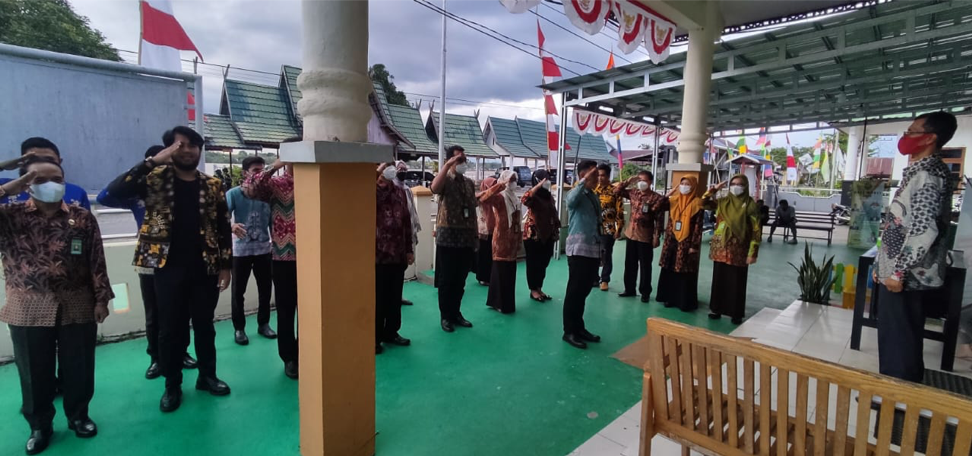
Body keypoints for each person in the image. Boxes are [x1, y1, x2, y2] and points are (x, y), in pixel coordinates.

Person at [107, 126, 233, 412]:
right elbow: (113, 191)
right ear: (168, 149)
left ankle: (207, 376)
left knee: (205, 325)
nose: (187, 150)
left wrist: (226, 266)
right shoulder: (153, 179)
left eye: (193, 145)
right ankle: (172, 384)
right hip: (166, 267)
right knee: (170, 329)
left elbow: (223, 227)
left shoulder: (212, 185)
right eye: (180, 145)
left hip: (205, 267)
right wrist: (152, 161)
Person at [0, 157, 113, 455]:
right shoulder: (9, 216)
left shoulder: (81, 217)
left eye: (57, 179)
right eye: (39, 180)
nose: (51, 185)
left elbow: (96, 260)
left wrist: (101, 298)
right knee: (34, 371)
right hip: (27, 305)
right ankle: (40, 425)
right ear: (26, 185)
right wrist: (9, 187)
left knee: (79, 366)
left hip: (77, 302)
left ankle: (79, 416)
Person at [96, 145, 197, 379]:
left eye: (171, 163)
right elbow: (104, 197)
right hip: (150, 259)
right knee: (154, 314)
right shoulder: (139, 191)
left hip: (182, 259)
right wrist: (147, 165)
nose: (168, 168)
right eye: (162, 163)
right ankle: (156, 358)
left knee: (182, 312)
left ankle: (181, 352)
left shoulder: (184, 188)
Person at [874, 111, 956, 382]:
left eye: (912, 131)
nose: (905, 136)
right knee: (896, 334)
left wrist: (898, 271)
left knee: (900, 337)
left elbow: (924, 230)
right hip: (899, 270)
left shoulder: (928, 175)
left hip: (908, 275)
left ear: (929, 138)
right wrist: (881, 264)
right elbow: (900, 224)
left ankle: (898, 395)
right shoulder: (919, 171)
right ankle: (896, 390)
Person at [243, 138, 299, 380]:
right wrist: (275, 165)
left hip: (314, 258)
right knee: (286, 311)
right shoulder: (276, 183)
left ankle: (308, 352)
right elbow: (249, 188)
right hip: (284, 258)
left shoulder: (317, 181)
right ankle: (289, 358)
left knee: (311, 311)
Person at [226, 156, 276, 345]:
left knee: (265, 289)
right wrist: (232, 226)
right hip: (240, 251)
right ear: (245, 173)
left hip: (264, 249)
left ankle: (264, 324)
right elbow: (221, 216)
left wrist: (275, 244)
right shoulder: (233, 194)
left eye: (262, 170)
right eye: (256, 170)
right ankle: (239, 328)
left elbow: (273, 222)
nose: (260, 174)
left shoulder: (268, 195)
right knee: (238, 291)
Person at [430, 145, 478, 333]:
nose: (462, 163)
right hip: (448, 237)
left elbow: (472, 209)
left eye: (464, 159)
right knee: (447, 280)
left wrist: (475, 236)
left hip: (465, 238)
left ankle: (456, 313)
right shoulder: (446, 180)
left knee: (460, 280)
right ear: (450, 160)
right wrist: (447, 165)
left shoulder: (468, 183)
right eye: (459, 159)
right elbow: (434, 188)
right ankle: (446, 316)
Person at [703, 175, 761, 325]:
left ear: (746, 186)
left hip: (739, 249)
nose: (736, 186)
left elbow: (756, 230)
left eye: (740, 184)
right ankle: (716, 309)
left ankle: (736, 313)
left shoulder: (750, 205)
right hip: (720, 248)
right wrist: (713, 190)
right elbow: (702, 203)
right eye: (733, 184)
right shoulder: (722, 202)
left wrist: (753, 253)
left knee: (737, 282)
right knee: (719, 280)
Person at [562, 160, 603, 349]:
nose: (597, 179)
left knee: (584, 290)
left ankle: (579, 327)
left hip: (593, 248)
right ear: (583, 176)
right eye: (594, 176)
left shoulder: (592, 195)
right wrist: (583, 181)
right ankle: (569, 331)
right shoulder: (575, 193)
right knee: (575, 291)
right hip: (578, 249)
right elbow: (570, 201)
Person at [375, 163, 415, 354]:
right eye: (386, 165)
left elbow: (406, 221)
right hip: (377, 255)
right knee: (378, 298)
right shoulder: (370, 190)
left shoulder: (399, 191)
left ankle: (391, 331)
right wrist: (376, 174)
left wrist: (409, 249)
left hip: (397, 254)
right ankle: (374, 337)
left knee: (394, 297)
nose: (391, 169)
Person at [615, 171, 666, 303]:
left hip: (645, 236)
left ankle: (645, 292)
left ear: (650, 182)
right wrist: (628, 181)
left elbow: (659, 220)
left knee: (645, 265)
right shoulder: (633, 193)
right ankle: (629, 289)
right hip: (631, 234)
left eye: (644, 180)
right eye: (639, 180)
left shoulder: (657, 198)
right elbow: (616, 191)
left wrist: (656, 236)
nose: (641, 183)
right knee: (630, 264)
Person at [0, 137, 91, 210]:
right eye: (34, 159)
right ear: (22, 163)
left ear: (59, 161)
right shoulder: (6, 186)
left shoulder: (76, 192)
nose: (42, 163)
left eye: (49, 159)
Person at [656, 177, 704, 312]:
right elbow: (657, 207)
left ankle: (683, 301)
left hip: (686, 242)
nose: (684, 186)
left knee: (684, 270)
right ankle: (669, 298)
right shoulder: (674, 200)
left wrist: (694, 245)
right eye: (682, 183)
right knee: (670, 268)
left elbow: (698, 226)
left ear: (693, 186)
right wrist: (667, 195)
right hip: (671, 241)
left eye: (687, 184)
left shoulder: (697, 203)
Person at [478, 170, 522, 314]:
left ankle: (505, 303)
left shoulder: (515, 198)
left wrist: (518, 239)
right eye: (511, 179)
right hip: (501, 238)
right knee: (500, 271)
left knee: (510, 272)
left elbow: (517, 220)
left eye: (515, 179)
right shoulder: (500, 197)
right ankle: (498, 302)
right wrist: (499, 186)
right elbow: (483, 199)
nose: (513, 182)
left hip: (512, 239)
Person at [522, 170, 559, 302]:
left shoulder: (548, 196)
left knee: (543, 263)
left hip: (548, 235)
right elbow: (524, 199)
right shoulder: (533, 196)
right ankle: (533, 290)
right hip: (534, 235)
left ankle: (539, 288)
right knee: (533, 264)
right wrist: (537, 187)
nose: (547, 182)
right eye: (544, 179)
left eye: (548, 179)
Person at [394, 160, 420, 306]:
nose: (402, 172)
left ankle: (399, 295)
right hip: (393, 236)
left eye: (404, 169)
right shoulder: (391, 189)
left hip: (406, 232)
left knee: (403, 266)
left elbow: (411, 212)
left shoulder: (406, 189)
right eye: (400, 169)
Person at [594, 164, 624, 291]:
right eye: (598, 175)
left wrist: (619, 229)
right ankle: (594, 278)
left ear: (608, 176)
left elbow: (620, 211)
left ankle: (605, 279)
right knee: (593, 254)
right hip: (593, 228)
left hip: (608, 228)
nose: (600, 178)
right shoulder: (593, 190)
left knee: (606, 254)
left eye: (603, 175)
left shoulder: (614, 191)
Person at [475, 177, 498, 286]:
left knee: (491, 255)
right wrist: (488, 191)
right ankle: (482, 277)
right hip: (483, 230)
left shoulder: (496, 198)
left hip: (494, 229)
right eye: (492, 184)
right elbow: (475, 199)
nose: (494, 186)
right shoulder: (482, 197)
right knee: (483, 254)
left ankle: (489, 277)